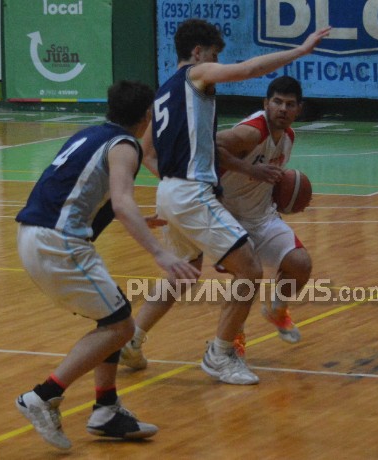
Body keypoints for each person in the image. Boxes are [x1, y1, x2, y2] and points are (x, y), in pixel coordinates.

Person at [119, 19, 329, 386]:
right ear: (198, 53)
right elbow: (248, 69)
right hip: (190, 191)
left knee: (180, 275)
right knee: (249, 270)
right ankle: (220, 353)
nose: (216, 63)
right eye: (214, 55)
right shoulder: (197, 74)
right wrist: (300, 50)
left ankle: (132, 339)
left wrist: (171, 190)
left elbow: (147, 152)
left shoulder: (165, 91)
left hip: (173, 189)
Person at [14, 80, 199, 450]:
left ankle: (106, 408)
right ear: (148, 116)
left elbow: (75, 191)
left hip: (33, 233)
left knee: (113, 315)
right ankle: (43, 395)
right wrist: (160, 254)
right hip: (60, 241)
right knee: (120, 326)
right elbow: (121, 202)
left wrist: (137, 221)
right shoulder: (125, 145)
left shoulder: (90, 134)